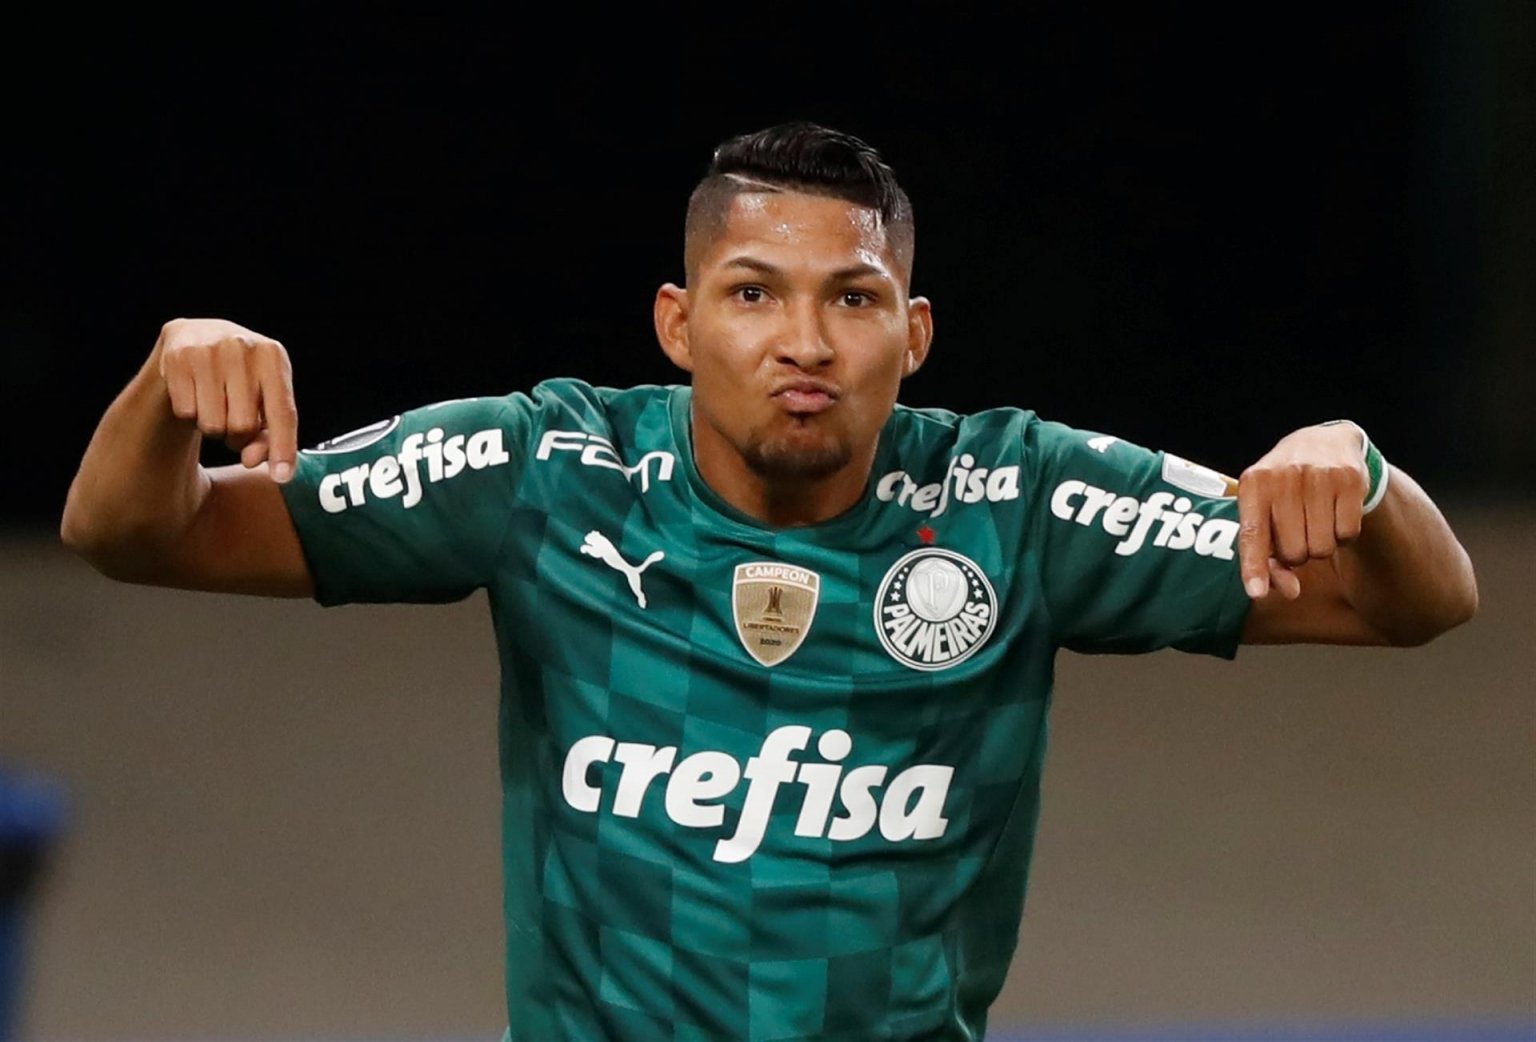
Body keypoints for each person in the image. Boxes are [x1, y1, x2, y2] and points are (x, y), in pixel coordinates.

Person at [60, 122, 1478, 1041]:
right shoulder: (547, 467)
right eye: (754, 293)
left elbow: (1415, 600)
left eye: (853, 298)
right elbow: (134, 532)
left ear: (913, 334)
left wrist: (1361, 473)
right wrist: (163, 387)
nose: (806, 340)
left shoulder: (1017, 497)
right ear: (678, 323)